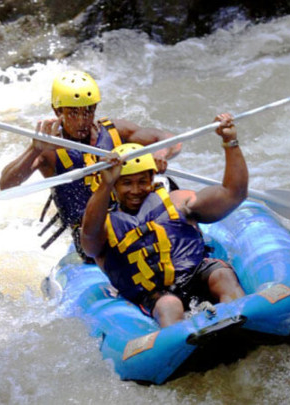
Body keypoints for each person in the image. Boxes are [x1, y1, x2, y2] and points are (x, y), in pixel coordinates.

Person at [80, 113, 248, 327]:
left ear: (152, 178)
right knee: (169, 305)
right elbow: (88, 239)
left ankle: (241, 321)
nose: (135, 190)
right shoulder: (104, 225)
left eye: (142, 181)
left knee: (222, 275)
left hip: (195, 274)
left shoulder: (179, 202)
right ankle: (185, 346)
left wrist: (230, 142)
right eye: (126, 183)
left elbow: (235, 193)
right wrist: (105, 184)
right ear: (115, 186)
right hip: (154, 294)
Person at [0, 70, 181, 260]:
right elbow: (6, 185)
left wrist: (160, 154)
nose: (82, 121)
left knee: (167, 184)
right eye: (73, 113)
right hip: (91, 233)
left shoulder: (114, 131)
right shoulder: (48, 150)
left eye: (88, 111)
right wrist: (34, 149)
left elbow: (169, 140)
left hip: (128, 213)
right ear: (57, 111)